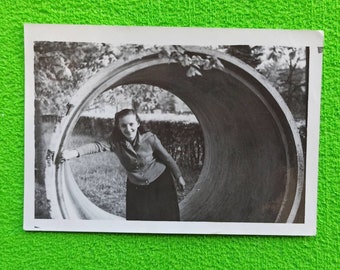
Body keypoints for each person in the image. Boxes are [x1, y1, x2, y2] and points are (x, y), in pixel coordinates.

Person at [61, 108, 186, 221]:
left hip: (160, 180)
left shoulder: (150, 138)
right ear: (119, 127)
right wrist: (73, 153)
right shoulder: (115, 142)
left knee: (167, 217)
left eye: (131, 124)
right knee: (138, 221)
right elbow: (96, 146)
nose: (128, 129)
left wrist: (179, 176)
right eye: (123, 126)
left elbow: (167, 158)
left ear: (137, 123)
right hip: (136, 185)